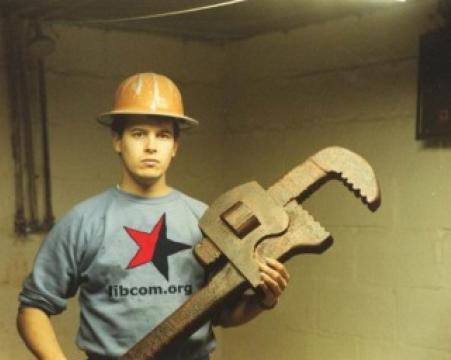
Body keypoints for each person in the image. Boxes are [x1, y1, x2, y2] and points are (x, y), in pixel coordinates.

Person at [17, 72, 289, 360]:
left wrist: (263, 301)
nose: (151, 146)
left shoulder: (204, 220)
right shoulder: (84, 221)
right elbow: (32, 308)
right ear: (117, 141)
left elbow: (221, 312)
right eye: (138, 134)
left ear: (175, 147)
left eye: (163, 135)